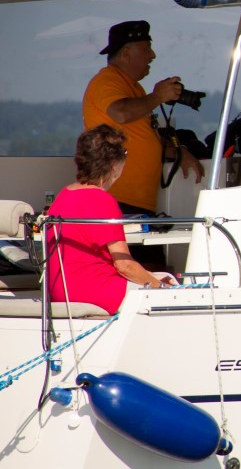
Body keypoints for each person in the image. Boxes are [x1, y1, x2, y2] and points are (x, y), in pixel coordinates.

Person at [45, 125, 176, 315]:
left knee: (162, 276)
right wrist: (161, 288)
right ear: (114, 165)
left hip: (61, 292)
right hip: (96, 292)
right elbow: (124, 265)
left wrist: (154, 278)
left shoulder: (62, 196)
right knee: (173, 294)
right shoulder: (103, 201)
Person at [82, 20, 204, 216]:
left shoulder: (135, 89)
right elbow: (121, 113)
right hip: (115, 198)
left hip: (133, 202)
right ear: (126, 53)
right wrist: (158, 97)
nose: (153, 55)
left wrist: (178, 152)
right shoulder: (108, 80)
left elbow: (140, 137)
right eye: (147, 48)